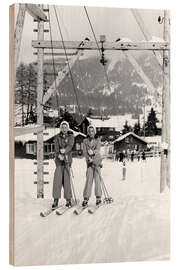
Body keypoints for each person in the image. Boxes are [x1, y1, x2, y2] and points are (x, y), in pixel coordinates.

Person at [52, 121, 75, 209]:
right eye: (63, 127)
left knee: (66, 181)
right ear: (61, 128)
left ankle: (68, 199)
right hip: (59, 161)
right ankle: (56, 199)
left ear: (68, 128)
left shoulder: (71, 136)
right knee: (57, 180)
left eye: (66, 127)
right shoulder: (57, 137)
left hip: (67, 161)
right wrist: (59, 155)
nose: (64, 129)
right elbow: (56, 148)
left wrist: (64, 151)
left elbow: (70, 145)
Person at [82, 125, 102, 207]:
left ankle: (98, 197)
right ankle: (86, 198)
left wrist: (93, 152)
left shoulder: (97, 140)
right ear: (87, 132)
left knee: (97, 180)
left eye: (92, 131)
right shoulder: (85, 141)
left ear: (94, 132)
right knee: (89, 180)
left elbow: (98, 149)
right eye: (89, 131)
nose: (91, 133)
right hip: (89, 163)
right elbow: (84, 152)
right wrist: (88, 158)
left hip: (97, 161)